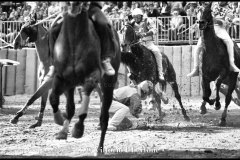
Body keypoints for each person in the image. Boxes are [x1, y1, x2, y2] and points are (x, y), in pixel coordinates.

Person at [48, 1, 117, 76]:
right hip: (71, 7)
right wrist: (64, 5)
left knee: (103, 24)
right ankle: (54, 64)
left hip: (91, 7)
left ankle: (105, 58)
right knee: (53, 30)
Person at [187, 1, 240, 77]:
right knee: (197, 47)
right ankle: (196, 68)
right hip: (209, 28)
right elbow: (203, 16)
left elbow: (226, 23)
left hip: (220, 29)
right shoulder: (212, 5)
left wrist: (215, 20)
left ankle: (232, 64)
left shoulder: (229, 10)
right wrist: (201, 15)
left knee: (229, 42)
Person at [131, 8, 165, 81]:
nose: (136, 18)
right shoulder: (132, 23)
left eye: (138, 16)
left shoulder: (148, 20)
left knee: (157, 52)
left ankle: (160, 73)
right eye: (134, 17)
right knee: (128, 55)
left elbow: (155, 30)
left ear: (141, 16)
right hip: (137, 44)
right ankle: (131, 73)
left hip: (148, 43)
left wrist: (145, 34)